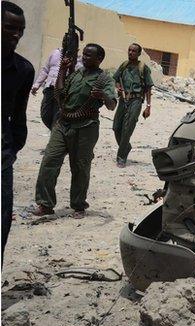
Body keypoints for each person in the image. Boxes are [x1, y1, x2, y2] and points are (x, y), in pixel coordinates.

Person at [32, 43, 117, 219]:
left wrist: (103, 95)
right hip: (64, 124)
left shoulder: (104, 79)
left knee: (80, 167)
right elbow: (60, 92)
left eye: (88, 55)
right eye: (84, 54)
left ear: (99, 59)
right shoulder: (76, 73)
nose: (84, 58)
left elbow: (112, 105)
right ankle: (45, 204)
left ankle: (78, 205)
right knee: (49, 161)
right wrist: (63, 70)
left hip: (86, 128)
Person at [2, 1, 34, 263]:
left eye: (20, 30)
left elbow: (20, 116)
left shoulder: (23, 69)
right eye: (10, 28)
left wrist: (11, 148)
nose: (16, 35)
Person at [112, 43, 153, 168]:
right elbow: (116, 79)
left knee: (127, 128)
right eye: (129, 50)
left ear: (139, 53)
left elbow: (148, 88)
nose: (131, 53)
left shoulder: (143, 68)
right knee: (116, 127)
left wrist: (148, 106)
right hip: (123, 100)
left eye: (134, 51)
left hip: (136, 100)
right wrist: (118, 88)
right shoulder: (124, 65)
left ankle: (121, 157)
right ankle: (126, 147)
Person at [31, 48, 83, 130]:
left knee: (57, 115)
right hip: (50, 89)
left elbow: (77, 76)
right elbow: (45, 70)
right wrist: (37, 84)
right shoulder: (55, 53)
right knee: (45, 114)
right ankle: (54, 130)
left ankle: (55, 134)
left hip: (63, 92)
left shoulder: (78, 60)